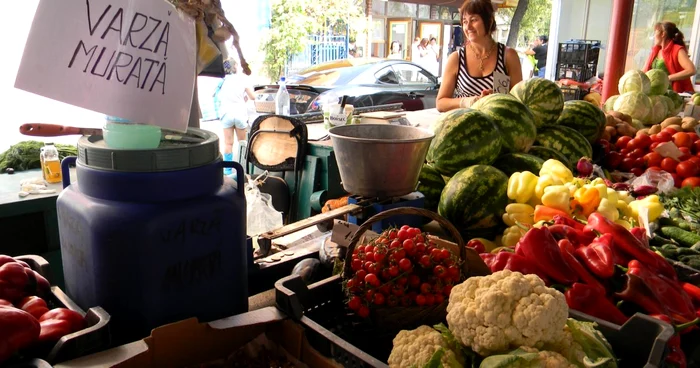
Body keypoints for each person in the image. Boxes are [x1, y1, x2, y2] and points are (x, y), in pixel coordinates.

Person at [436, 0, 523, 112]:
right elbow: (440, 103)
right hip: (464, 125)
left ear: (489, 21)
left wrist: (497, 98)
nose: (468, 27)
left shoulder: (509, 56)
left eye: (473, 20)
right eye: (465, 21)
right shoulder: (456, 58)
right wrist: (467, 101)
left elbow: (520, 100)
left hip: (498, 126)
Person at [215, 58, 255, 174]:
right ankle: (243, 168)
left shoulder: (222, 81)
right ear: (235, 67)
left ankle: (227, 171)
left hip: (226, 114)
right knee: (242, 142)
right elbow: (252, 97)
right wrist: (245, 98)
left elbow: (218, 97)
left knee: (228, 143)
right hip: (239, 113)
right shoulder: (241, 79)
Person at [644, 22, 696, 93]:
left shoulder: (677, 50)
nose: (654, 36)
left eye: (655, 33)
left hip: (675, 93)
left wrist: (668, 78)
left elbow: (691, 70)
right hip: (657, 92)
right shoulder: (655, 51)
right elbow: (644, 71)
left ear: (663, 34)